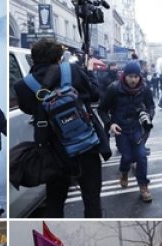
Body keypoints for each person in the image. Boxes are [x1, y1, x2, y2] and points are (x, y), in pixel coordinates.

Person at [13, 38, 105, 218]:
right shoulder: (72, 71)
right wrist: (89, 72)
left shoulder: (23, 86)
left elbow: (28, 109)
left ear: (34, 58)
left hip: (53, 151)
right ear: (58, 56)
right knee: (92, 199)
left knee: (54, 202)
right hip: (86, 145)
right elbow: (94, 95)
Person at [97, 61, 156, 201]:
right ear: (124, 75)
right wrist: (110, 124)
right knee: (128, 157)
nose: (133, 80)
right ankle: (124, 171)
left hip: (137, 128)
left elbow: (151, 106)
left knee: (141, 156)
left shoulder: (145, 89)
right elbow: (102, 109)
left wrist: (148, 116)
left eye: (136, 76)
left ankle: (143, 186)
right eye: (130, 76)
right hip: (121, 129)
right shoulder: (114, 88)